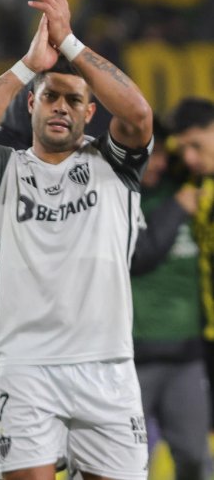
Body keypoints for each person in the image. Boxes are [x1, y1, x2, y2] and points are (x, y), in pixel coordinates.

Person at [0, 0, 154, 479]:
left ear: (90, 111)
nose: (61, 106)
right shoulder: (5, 170)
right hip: (26, 368)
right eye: (50, 96)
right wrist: (27, 66)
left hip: (106, 365)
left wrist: (71, 43)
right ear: (31, 105)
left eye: (73, 100)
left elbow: (138, 113)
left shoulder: (114, 164)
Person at [128, 119, 209, 480]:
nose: (159, 163)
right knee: (124, 462)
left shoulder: (190, 190)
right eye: (153, 155)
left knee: (194, 457)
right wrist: (176, 208)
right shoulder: (123, 198)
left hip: (187, 356)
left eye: (164, 155)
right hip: (135, 356)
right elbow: (139, 256)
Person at [167, 98, 214, 434]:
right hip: (207, 335)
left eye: (196, 145)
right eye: (184, 149)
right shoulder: (196, 186)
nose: (189, 158)